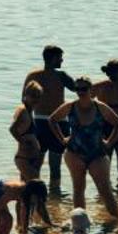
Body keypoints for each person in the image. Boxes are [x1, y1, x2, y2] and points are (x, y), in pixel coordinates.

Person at [47, 77, 118, 223]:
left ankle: (116, 222)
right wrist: (62, 139)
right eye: (77, 89)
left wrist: (109, 143)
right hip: (74, 152)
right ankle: (81, 225)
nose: (80, 92)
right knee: (78, 189)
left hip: (97, 154)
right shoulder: (70, 106)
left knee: (105, 190)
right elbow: (52, 120)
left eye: (84, 89)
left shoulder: (100, 107)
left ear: (90, 90)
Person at [22, 45, 72, 193]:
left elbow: (24, 102)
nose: (62, 60)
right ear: (53, 58)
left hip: (40, 122)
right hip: (57, 123)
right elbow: (81, 89)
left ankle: (36, 192)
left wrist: (26, 125)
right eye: (60, 57)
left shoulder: (33, 75)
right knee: (54, 164)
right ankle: (53, 195)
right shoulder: (61, 75)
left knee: (37, 162)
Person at [9, 81, 47, 184]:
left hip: (31, 159)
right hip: (24, 159)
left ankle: (19, 200)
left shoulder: (30, 111)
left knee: (24, 191)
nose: (36, 99)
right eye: (33, 96)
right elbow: (12, 129)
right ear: (26, 95)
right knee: (37, 184)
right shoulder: (23, 110)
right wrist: (23, 143)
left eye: (38, 96)